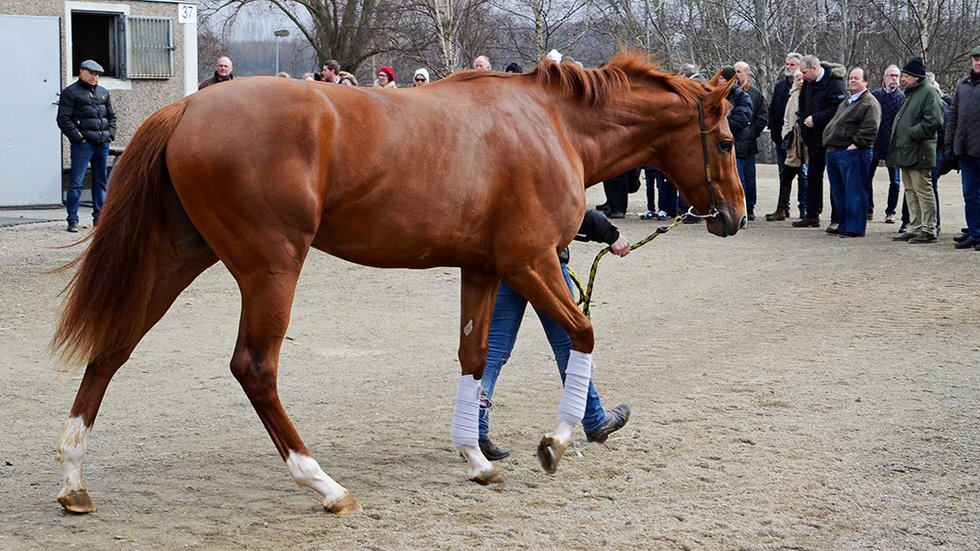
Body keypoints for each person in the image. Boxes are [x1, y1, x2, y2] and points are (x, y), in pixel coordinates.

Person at [478, 210, 632, 460]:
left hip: (506, 260)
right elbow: (563, 201)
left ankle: (475, 429)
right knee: (571, 345)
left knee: (494, 350)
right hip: (544, 264)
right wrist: (610, 234)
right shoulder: (539, 169)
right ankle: (594, 419)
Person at [888, 57, 944, 244]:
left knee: (923, 190)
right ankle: (915, 227)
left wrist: (913, 132)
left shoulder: (929, 92)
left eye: (906, 76)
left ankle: (929, 229)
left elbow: (935, 120)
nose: (903, 79)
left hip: (919, 150)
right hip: (906, 150)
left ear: (916, 77)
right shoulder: (912, 92)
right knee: (910, 191)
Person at [56, 59, 116, 233]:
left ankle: (99, 217)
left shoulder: (103, 93)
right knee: (76, 182)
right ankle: (72, 219)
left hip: (102, 144)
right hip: (83, 146)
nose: (94, 77)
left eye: (97, 74)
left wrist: (110, 135)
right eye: (91, 73)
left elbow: (111, 116)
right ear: (81, 72)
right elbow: (63, 119)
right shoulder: (71, 93)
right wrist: (80, 139)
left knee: (100, 182)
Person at [822, 66, 881, 238]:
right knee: (839, 192)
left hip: (853, 153)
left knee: (854, 191)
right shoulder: (847, 102)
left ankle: (855, 228)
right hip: (834, 152)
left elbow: (871, 128)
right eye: (851, 78)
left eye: (856, 78)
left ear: (865, 81)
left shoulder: (869, 102)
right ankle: (844, 224)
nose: (852, 81)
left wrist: (855, 145)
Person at [792, 55, 846, 230]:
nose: (803, 76)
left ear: (814, 69)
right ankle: (812, 215)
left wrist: (816, 118)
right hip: (812, 139)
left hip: (831, 138)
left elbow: (838, 109)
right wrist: (802, 119)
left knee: (834, 179)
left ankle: (836, 217)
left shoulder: (834, 83)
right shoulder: (808, 82)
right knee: (813, 177)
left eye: (805, 72)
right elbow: (802, 103)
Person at [946, 45, 980, 250]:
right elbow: (953, 117)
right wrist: (949, 144)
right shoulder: (963, 86)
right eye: (975, 59)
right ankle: (975, 233)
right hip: (965, 149)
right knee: (970, 194)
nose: (978, 62)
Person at [767, 53, 807, 221]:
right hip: (783, 140)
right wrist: (783, 135)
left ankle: (804, 209)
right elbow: (777, 112)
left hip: (802, 143)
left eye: (792, 65)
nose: (789, 67)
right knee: (784, 174)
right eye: (787, 64)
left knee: (803, 175)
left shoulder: (808, 93)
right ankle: (783, 209)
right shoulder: (781, 88)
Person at [869, 65, 905, 224]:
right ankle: (868, 209)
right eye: (891, 75)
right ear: (884, 78)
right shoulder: (874, 96)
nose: (894, 79)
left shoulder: (902, 98)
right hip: (874, 143)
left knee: (895, 182)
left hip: (893, 145)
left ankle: (890, 211)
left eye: (897, 76)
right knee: (866, 178)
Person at [734, 61, 769, 221]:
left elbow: (762, 117)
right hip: (733, 142)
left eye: (739, 71)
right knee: (737, 176)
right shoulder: (730, 93)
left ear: (747, 74)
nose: (737, 74)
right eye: (735, 71)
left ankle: (750, 206)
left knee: (749, 177)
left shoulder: (755, 94)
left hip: (748, 144)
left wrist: (750, 133)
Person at [717, 67, 754, 219]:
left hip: (736, 143)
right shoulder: (717, 95)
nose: (717, 80)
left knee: (737, 179)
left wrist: (720, 126)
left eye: (721, 78)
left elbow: (742, 119)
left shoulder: (741, 96)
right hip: (720, 144)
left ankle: (742, 211)